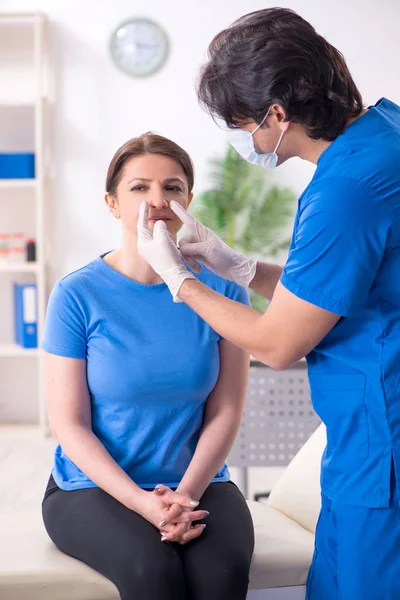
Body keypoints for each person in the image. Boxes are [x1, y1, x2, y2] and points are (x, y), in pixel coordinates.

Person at [137, 8, 400, 600]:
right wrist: (241, 267)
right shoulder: (384, 138)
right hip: (365, 436)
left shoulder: (347, 187)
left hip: (382, 442)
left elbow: (281, 342)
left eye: (241, 124)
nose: (243, 141)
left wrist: (181, 280)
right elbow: (343, 285)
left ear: (277, 114)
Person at [41, 133, 254, 600]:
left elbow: (226, 412)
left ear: (189, 201)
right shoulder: (76, 296)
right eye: (139, 188)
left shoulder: (223, 292)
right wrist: (141, 502)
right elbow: (69, 424)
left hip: (198, 480)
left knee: (224, 572)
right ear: (112, 203)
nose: (157, 201)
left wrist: (185, 496)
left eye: (173, 188)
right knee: (152, 571)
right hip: (92, 488)